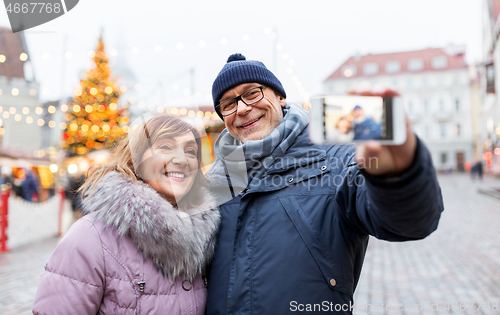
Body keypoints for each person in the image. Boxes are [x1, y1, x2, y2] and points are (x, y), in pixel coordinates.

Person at [205, 53, 444, 314]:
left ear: (280, 97)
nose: (241, 108)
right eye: (228, 104)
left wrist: (398, 176)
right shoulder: (211, 184)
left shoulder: (338, 160)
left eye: (252, 93)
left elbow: (409, 222)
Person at [33, 114, 220, 315]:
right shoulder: (91, 236)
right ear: (136, 158)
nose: (182, 160)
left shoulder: (209, 237)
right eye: (165, 147)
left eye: (191, 151)